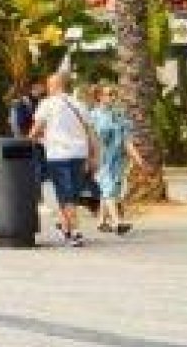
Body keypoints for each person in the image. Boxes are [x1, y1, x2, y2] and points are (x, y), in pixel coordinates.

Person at [30, 71, 96, 247]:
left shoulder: (47, 104)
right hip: (79, 154)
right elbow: (91, 132)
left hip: (58, 155)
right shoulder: (79, 104)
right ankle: (66, 228)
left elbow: (36, 128)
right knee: (71, 193)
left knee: (65, 194)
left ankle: (75, 232)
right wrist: (93, 156)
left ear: (54, 86)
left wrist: (28, 141)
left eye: (48, 85)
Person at [87, 85, 136, 236]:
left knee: (110, 189)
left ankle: (101, 221)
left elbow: (126, 138)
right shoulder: (93, 115)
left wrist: (135, 156)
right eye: (109, 94)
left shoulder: (118, 114)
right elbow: (89, 138)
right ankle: (117, 222)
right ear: (99, 97)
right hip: (101, 158)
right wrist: (89, 158)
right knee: (108, 188)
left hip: (117, 158)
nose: (112, 97)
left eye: (114, 94)